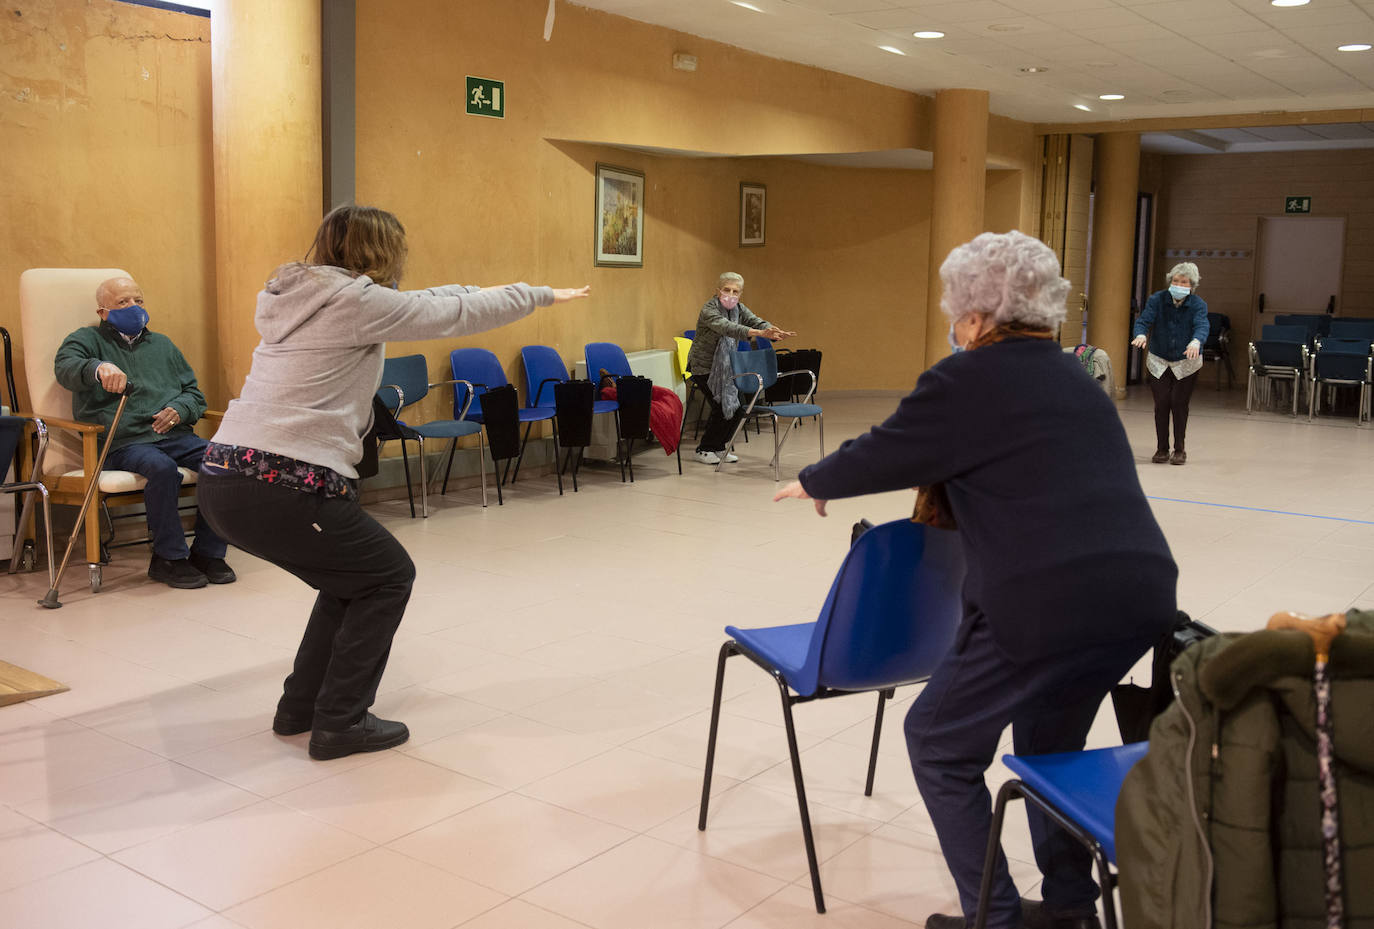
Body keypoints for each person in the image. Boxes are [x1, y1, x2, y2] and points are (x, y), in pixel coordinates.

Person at [774, 231, 1178, 929]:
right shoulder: (1075, 378)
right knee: (1049, 744)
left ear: (974, 315)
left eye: (955, 311)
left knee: (936, 741)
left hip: (1044, 607)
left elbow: (890, 448)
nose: (953, 325)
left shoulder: (968, 379)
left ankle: (995, 917)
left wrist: (815, 477)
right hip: (1139, 599)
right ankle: (1072, 907)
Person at [196, 204, 589, 760]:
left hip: (225, 475)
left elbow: (434, 299)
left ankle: (302, 709)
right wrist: (538, 295)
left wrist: (508, 287)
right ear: (384, 251)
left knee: (351, 580)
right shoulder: (356, 303)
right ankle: (340, 724)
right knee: (386, 576)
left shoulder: (310, 297)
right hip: (278, 480)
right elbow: (455, 314)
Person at [54, 276, 234, 589]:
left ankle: (207, 553)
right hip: (122, 442)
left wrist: (179, 409)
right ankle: (168, 558)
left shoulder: (163, 345)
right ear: (103, 312)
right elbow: (65, 367)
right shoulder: (85, 340)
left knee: (225, 462)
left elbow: (194, 392)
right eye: (123, 302)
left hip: (175, 436)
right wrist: (98, 368)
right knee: (161, 468)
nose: (134, 308)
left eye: (138, 300)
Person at [686, 272, 795, 464]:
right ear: (718, 290)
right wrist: (759, 332)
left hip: (727, 367)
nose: (730, 294)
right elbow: (728, 328)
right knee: (721, 406)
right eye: (726, 289)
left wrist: (771, 331)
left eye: (735, 291)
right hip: (704, 367)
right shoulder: (709, 309)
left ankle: (720, 447)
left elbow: (755, 320)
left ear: (740, 294)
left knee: (738, 406)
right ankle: (705, 449)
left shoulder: (739, 308)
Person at [1131, 262, 1208, 466]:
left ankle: (1179, 450)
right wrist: (1140, 334)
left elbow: (1202, 325)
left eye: (1183, 282)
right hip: (1159, 359)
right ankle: (1162, 449)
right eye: (1175, 281)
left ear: (1191, 285)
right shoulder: (1157, 299)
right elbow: (1143, 321)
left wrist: (1195, 341)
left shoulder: (1198, 304)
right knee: (1162, 403)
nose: (1179, 284)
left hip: (1186, 361)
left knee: (1179, 404)